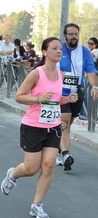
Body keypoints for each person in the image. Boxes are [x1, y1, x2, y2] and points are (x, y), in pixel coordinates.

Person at [0, 37, 79, 218]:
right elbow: (19, 96)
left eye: (60, 49)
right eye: (54, 48)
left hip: (53, 126)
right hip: (33, 126)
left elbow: (55, 100)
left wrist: (67, 100)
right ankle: (12, 175)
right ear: (45, 52)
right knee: (31, 168)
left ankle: (37, 205)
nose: (59, 51)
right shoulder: (37, 73)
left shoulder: (61, 75)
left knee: (49, 165)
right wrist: (37, 99)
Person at [56, 23, 98, 170]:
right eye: (71, 34)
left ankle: (59, 147)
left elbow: (91, 71)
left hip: (77, 93)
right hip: (61, 93)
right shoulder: (58, 49)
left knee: (68, 122)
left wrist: (94, 87)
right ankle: (65, 155)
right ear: (65, 36)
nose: (74, 36)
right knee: (65, 121)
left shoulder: (85, 51)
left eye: (76, 34)